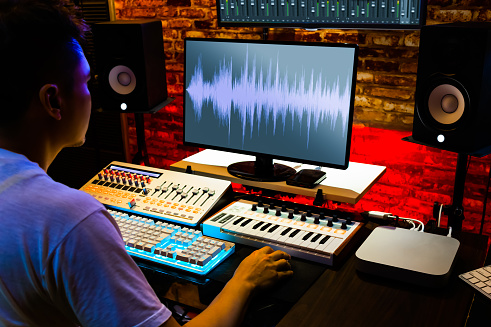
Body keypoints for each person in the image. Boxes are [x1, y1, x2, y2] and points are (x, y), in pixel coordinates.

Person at [0, 1, 293, 326]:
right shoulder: (71, 223)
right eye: (86, 81)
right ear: (53, 101)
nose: (93, 92)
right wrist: (245, 281)